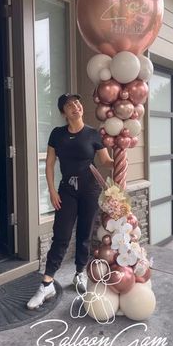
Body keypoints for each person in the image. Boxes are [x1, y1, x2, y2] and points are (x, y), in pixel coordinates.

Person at [27, 93, 113, 310]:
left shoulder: (93, 134)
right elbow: (49, 164)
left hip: (90, 191)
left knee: (84, 234)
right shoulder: (57, 134)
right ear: (63, 112)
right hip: (66, 191)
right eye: (69, 105)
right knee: (61, 236)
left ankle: (79, 273)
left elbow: (105, 161)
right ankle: (47, 284)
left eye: (77, 102)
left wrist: (120, 155)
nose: (75, 106)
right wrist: (52, 191)